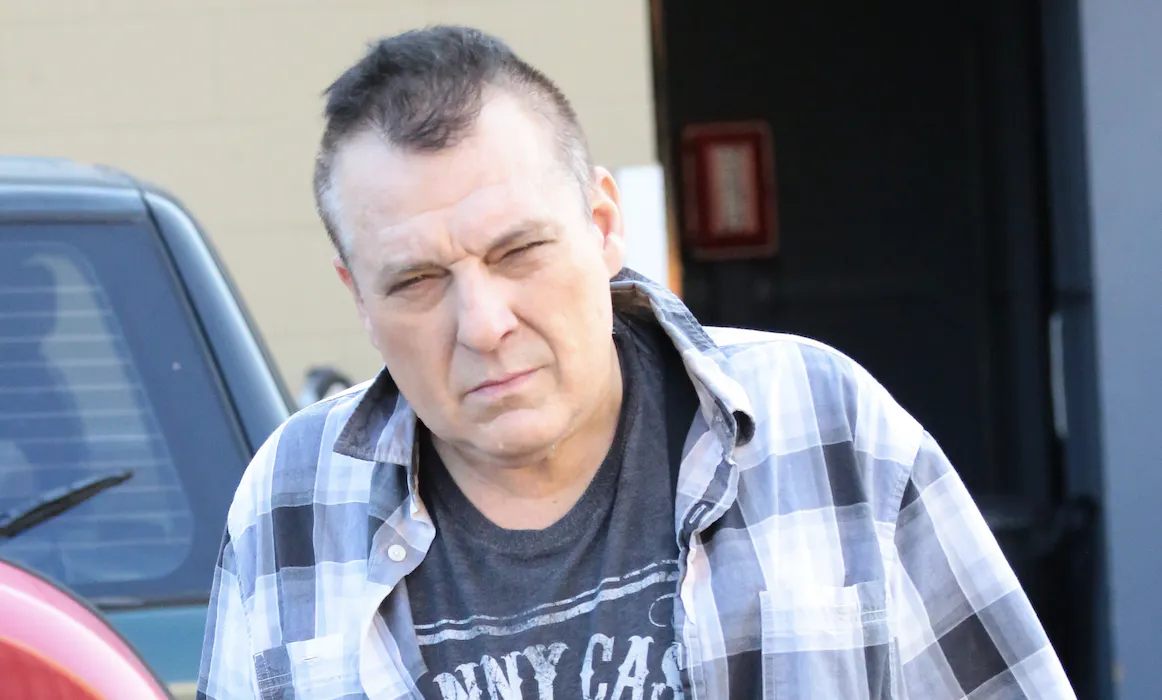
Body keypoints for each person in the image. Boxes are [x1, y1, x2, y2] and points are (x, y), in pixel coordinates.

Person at [196, 25, 1075, 700]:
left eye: (518, 252)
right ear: (357, 295)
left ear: (604, 225)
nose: (485, 325)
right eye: (418, 282)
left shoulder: (825, 424)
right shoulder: (289, 508)